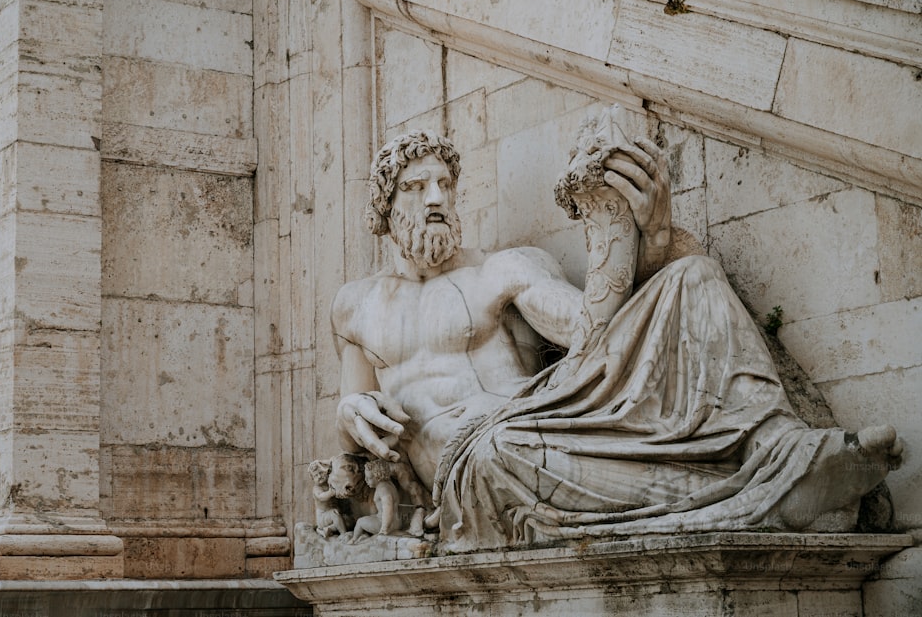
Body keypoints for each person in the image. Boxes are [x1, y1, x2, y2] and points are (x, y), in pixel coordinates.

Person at [330, 127, 903, 553]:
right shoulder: (356, 306)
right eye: (416, 186)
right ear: (386, 207)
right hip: (472, 466)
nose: (436, 198)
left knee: (692, 275)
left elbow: (592, 329)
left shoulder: (502, 270)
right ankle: (772, 494)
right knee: (501, 448)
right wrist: (349, 408)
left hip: (537, 417)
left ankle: (780, 451)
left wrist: (653, 237)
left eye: (445, 184)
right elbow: (350, 426)